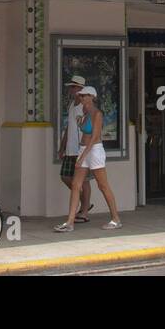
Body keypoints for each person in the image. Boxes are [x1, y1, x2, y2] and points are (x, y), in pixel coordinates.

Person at [53, 86, 122, 232]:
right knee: (76, 185)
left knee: (103, 186)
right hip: (83, 149)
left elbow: (95, 137)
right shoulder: (84, 111)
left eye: (84, 96)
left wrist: (81, 157)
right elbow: (82, 131)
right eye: (80, 95)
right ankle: (70, 222)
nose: (81, 98)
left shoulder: (97, 114)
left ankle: (115, 218)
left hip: (94, 151)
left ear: (91, 97)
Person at [58, 75, 93, 223]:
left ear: (80, 88)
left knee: (83, 180)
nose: (71, 90)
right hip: (71, 149)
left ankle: (84, 210)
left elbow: (90, 129)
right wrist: (62, 146)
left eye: (73, 87)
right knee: (66, 176)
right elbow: (69, 127)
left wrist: (85, 149)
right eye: (70, 87)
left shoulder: (85, 107)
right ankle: (82, 200)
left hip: (81, 149)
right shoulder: (72, 105)